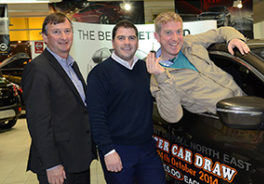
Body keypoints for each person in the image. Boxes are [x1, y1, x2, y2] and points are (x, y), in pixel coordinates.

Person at [86, 20, 165, 184]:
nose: (127, 43)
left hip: (147, 148)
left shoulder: (146, 69)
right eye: (121, 38)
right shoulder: (100, 74)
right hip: (117, 150)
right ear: (113, 42)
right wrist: (108, 151)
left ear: (137, 41)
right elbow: (96, 117)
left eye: (132, 38)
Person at [22, 13, 96, 184]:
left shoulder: (71, 64)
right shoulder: (38, 69)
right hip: (59, 164)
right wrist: (52, 164)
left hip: (78, 159)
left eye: (67, 31)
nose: (64, 37)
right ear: (45, 37)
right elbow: (39, 122)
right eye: (56, 32)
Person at [146, 12, 250, 123]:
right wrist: (162, 77)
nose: (175, 38)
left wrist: (234, 39)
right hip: (226, 123)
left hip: (247, 103)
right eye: (168, 33)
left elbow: (221, 31)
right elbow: (172, 117)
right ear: (157, 36)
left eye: (178, 31)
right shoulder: (158, 77)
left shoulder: (190, 43)